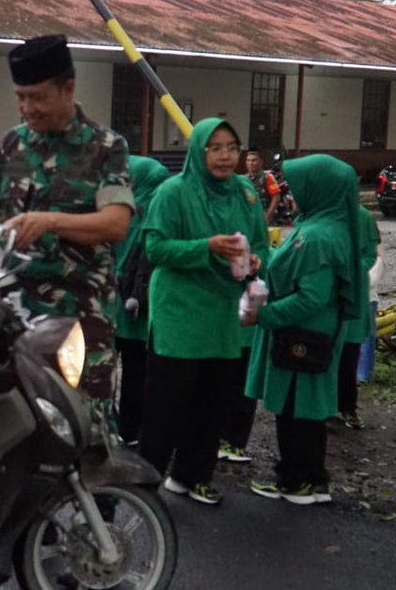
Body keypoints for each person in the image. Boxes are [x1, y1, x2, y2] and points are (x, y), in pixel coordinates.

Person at [0, 34, 134, 406]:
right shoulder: (12, 144)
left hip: (82, 317)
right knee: (22, 419)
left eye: (37, 97)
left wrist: (51, 221)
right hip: (19, 312)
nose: (27, 108)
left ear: (68, 88)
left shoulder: (105, 147)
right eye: (20, 97)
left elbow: (115, 224)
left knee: (85, 423)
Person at [141, 118, 268, 506]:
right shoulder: (173, 192)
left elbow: (262, 242)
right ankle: (144, 484)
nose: (226, 156)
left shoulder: (245, 193)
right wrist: (205, 248)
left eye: (232, 147)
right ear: (198, 151)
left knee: (213, 404)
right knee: (167, 406)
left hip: (222, 315)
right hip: (180, 315)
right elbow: (155, 249)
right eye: (215, 148)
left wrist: (260, 261)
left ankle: (192, 476)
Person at [245, 154, 364, 506]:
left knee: (295, 409)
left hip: (300, 335)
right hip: (311, 335)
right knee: (307, 408)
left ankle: (294, 481)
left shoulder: (317, 237)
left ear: (320, 189)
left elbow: (311, 297)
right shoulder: (328, 225)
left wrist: (264, 316)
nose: (290, 194)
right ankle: (312, 480)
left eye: (296, 187)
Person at [115, 156, 169, 444]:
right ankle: (130, 428)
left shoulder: (114, 212)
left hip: (111, 304)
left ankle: (105, 425)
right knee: (137, 373)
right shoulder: (155, 216)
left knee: (100, 372)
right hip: (140, 310)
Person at [337, 207, 381, 429]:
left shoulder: (362, 217)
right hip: (323, 294)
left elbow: (370, 255)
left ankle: (347, 406)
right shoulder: (315, 211)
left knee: (348, 354)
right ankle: (323, 406)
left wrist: (350, 272)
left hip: (352, 293)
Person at [356, 232, 386, 384]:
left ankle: (363, 373)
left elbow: (372, 280)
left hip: (368, 300)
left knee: (366, 338)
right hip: (355, 299)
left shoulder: (376, 259)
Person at [245, 150, 282, 224]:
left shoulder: (267, 177)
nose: (251, 163)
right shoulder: (244, 179)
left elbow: (276, 198)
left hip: (263, 214)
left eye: (254, 160)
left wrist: (267, 217)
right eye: (248, 160)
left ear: (260, 162)